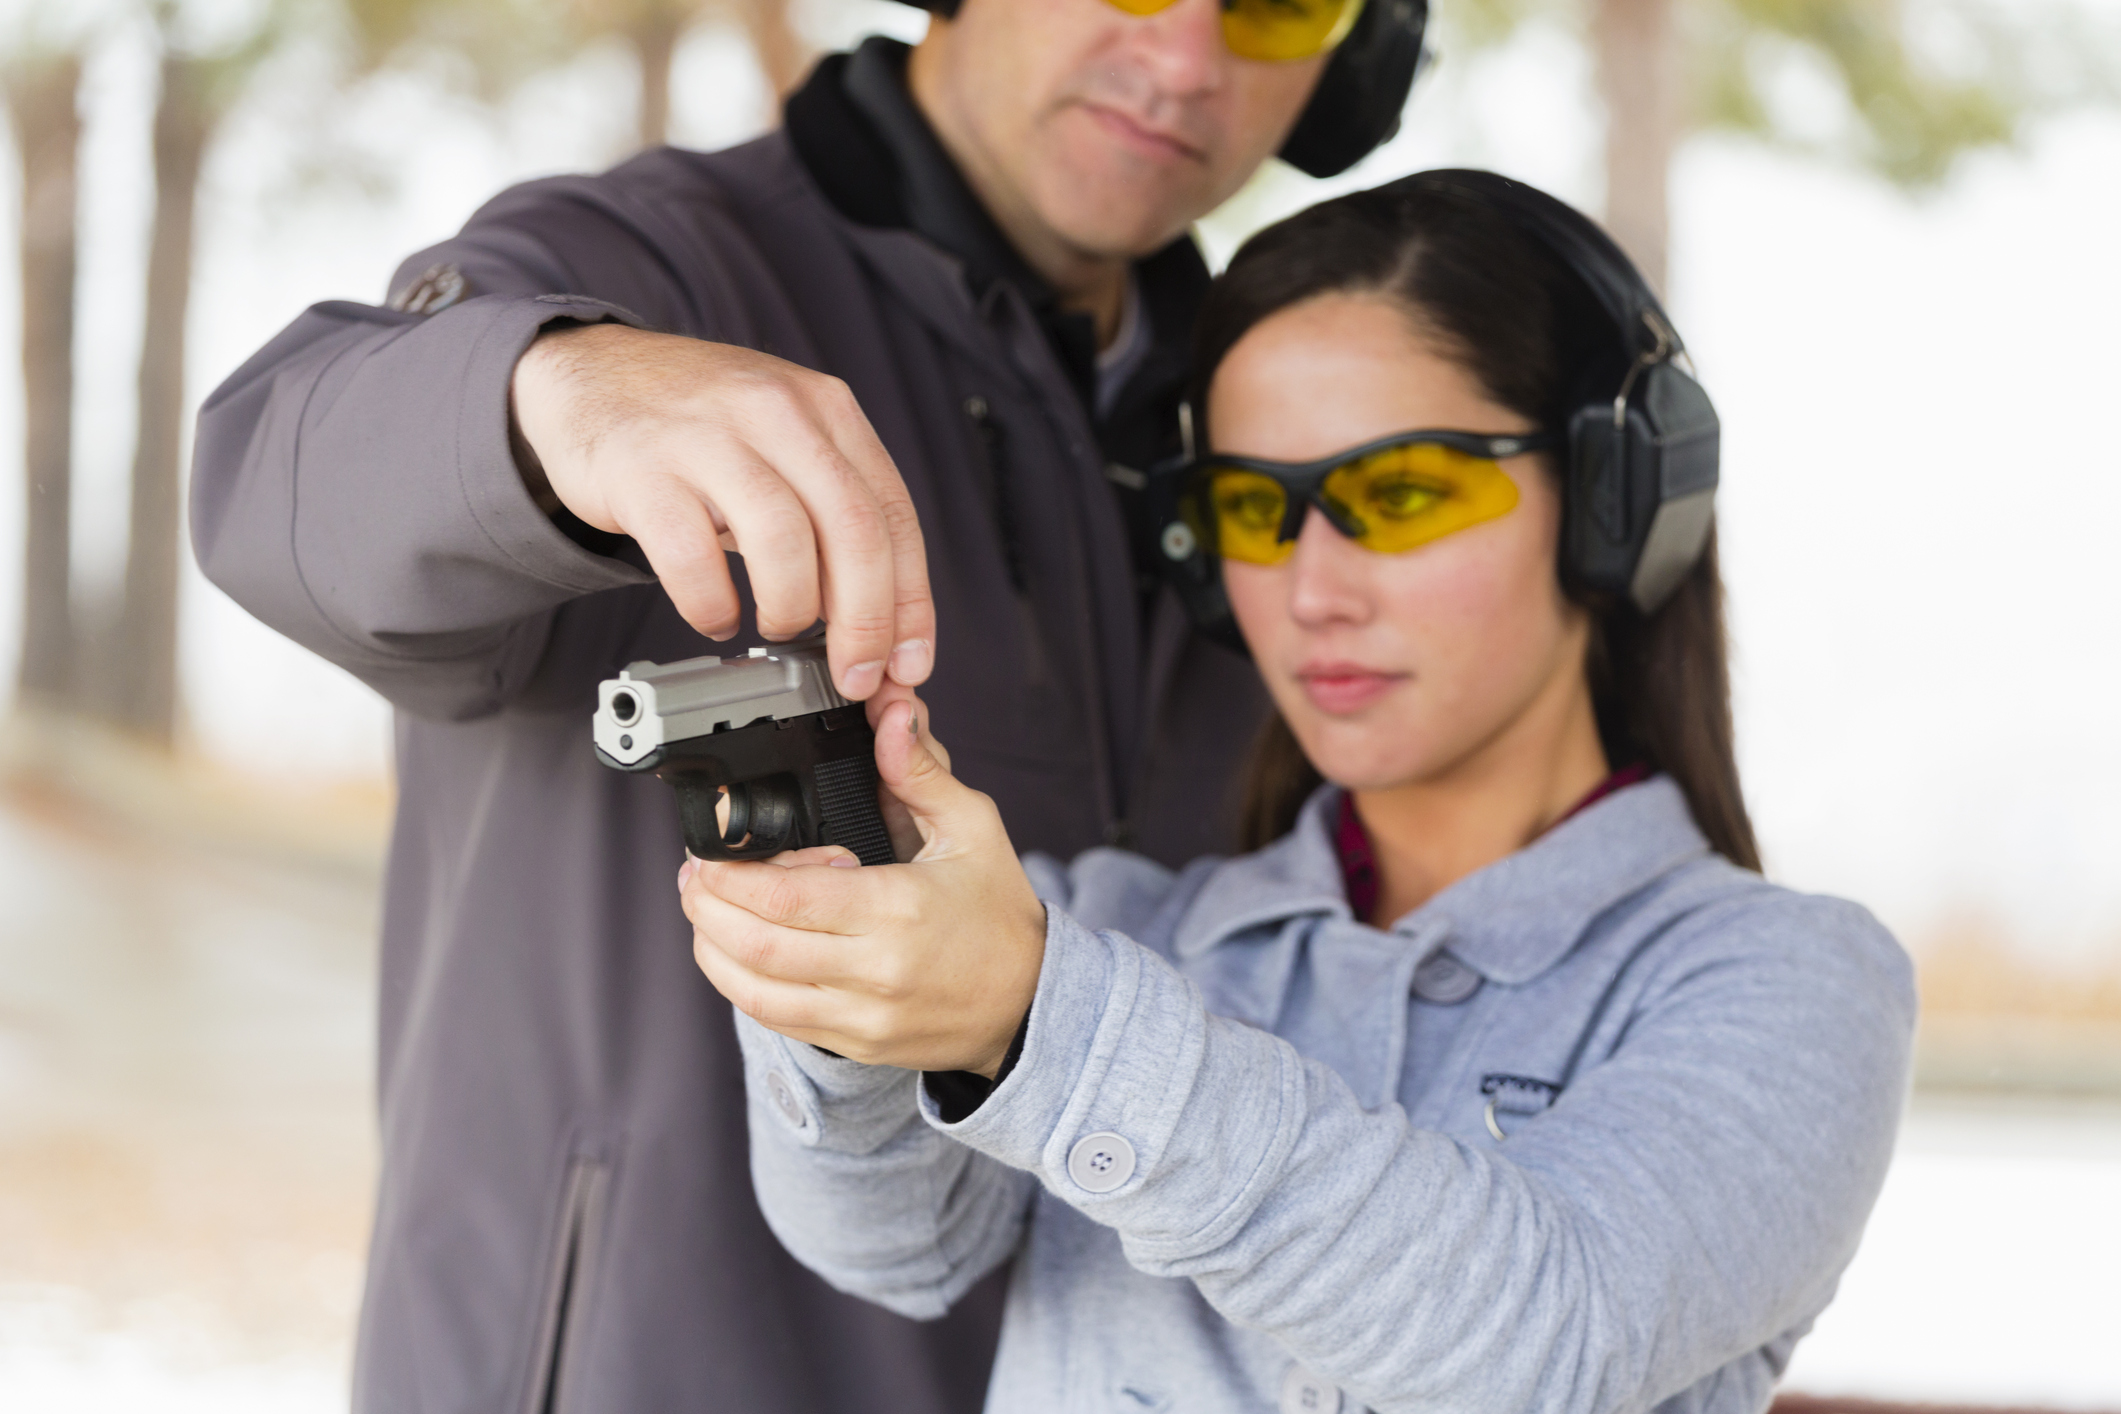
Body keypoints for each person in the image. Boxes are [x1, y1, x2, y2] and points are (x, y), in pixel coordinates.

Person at [189, 0, 1428, 1407]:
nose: (1188, 58)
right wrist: (555, 396)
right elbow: (268, 473)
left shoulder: (1274, 438)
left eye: (1282, 1)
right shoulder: (641, 268)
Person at [684, 173, 1917, 1413]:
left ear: (1615, 501)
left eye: (1403, 494)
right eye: (1252, 510)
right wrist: (842, 965)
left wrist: (1035, 1014)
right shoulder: (1113, 926)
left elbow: (1546, 1343)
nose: (1314, 590)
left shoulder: (1788, 980)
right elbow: (896, 1248)